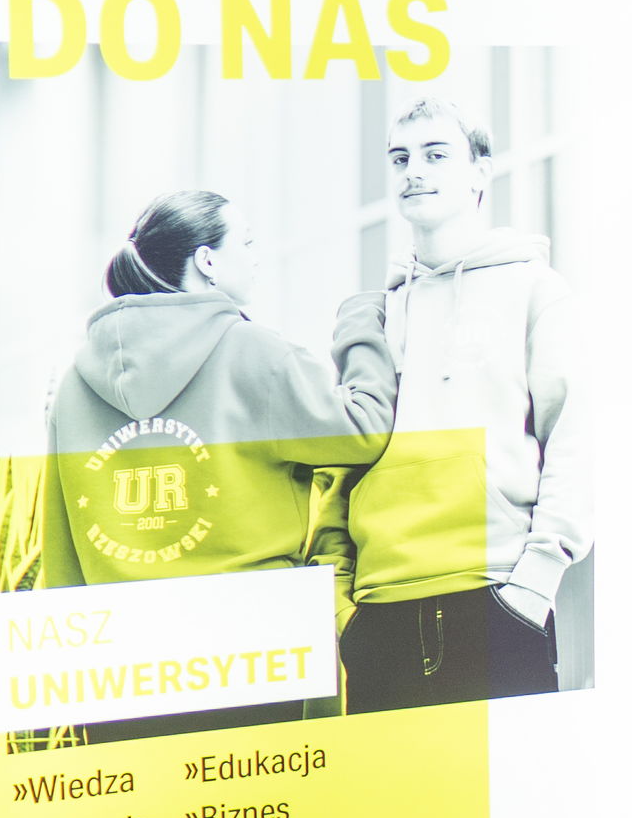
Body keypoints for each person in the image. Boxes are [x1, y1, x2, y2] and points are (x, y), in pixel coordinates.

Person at [40, 193, 392, 675]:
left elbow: (60, 544)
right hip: (256, 644)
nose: (255, 257)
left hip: (127, 659)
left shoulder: (74, 385)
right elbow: (364, 429)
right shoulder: (253, 353)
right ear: (207, 261)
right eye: (245, 242)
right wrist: (362, 322)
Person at [335, 98, 584, 714]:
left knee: (518, 781)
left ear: (480, 171)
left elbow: (574, 436)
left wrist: (535, 584)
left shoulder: (535, 289)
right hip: (379, 606)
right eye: (400, 159)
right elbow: (343, 455)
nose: (413, 171)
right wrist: (342, 602)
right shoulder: (379, 310)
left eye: (435, 154)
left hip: (496, 594)